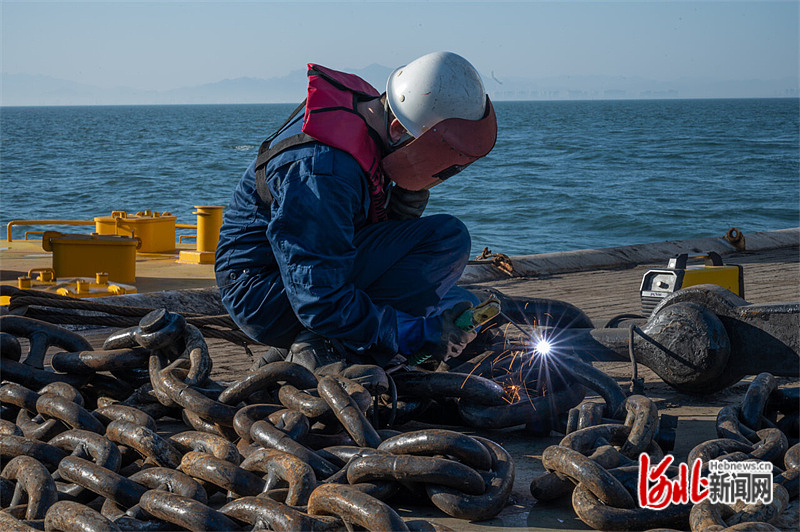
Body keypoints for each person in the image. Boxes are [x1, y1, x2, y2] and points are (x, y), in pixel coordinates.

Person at [215, 51, 497, 372]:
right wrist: (417, 333)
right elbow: (318, 298)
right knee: (446, 242)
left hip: (306, 273)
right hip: (264, 295)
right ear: (397, 130)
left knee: (456, 298)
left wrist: (406, 195)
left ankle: (330, 341)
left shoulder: (368, 116)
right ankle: (327, 346)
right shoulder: (322, 171)